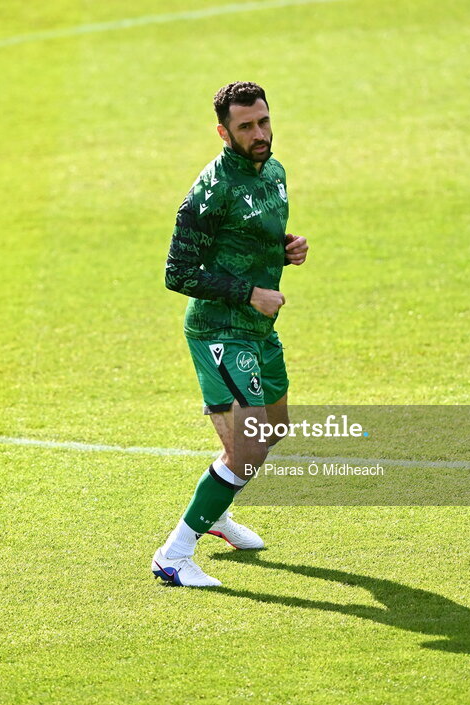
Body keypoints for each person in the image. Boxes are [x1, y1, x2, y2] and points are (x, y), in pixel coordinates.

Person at [152, 81, 309, 587]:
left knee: (273, 431)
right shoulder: (210, 190)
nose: (259, 133)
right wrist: (249, 292)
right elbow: (178, 273)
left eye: (263, 121)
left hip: (259, 329)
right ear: (224, 132)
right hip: (221, 329)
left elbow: (247, 234)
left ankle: (216, 515)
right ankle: (174, 555)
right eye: (246, 127)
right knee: (249, 450)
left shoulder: (275, 172)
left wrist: (283, 249)